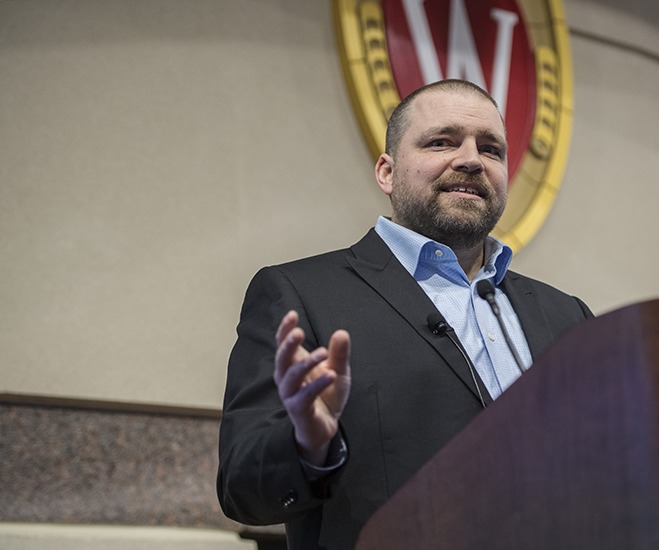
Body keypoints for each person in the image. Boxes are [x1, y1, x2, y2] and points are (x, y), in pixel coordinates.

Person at [217, 79, 593, 550]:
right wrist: (306, 444)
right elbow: (241, 489)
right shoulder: (300, 293)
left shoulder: (568, 316)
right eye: (442, 141)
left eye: (492, 149)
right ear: (387, 172)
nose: (472, 160)